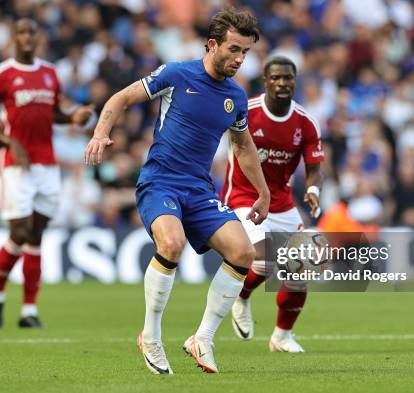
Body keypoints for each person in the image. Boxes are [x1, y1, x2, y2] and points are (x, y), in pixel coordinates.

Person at [84, 8, 269, 374]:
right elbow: (120, 99)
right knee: (170, 244)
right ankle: (150, 335)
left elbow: (244, 147)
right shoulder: (176, 74)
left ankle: (202, 338)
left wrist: (263, 193)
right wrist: (100, 132)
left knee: (243, 253)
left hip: (199, 190)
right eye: (234, 49)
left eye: (245, 52)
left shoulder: (235, 95)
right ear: (213, 44)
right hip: (161, 181)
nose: (239, 59)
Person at [0, 19, 93, 329]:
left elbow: (52, 112)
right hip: (16, 165)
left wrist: (73, 116)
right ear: (14, 38)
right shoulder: (0, 75)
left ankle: (28, 310)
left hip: (47, 164)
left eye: (32, 32)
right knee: (19, 231)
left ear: (38, 38)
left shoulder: (49, 73)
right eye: (22, 32)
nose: (28, 37)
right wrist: (9, 141)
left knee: (36, 236)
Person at [222, 57, 324, 352]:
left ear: (295, 81)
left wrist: (313, 188)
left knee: (300, 269)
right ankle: (241, 297)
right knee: (264, 259)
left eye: (288, 78)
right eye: (276, 78)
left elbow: (314, 165)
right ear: (266, 81)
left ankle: (281, 336)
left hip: (282, 202)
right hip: (244, 196)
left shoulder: (305, 122)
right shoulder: (247, 112)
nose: (282, 83)